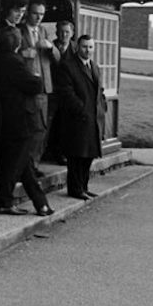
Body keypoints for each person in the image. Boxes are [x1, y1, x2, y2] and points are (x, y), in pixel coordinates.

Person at [0, 29, 53, 216]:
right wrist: (36, 76)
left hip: (5, 116)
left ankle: (41, 204)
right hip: (18, 117)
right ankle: (5, 201)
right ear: (17, 44)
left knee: (23, 162)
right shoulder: (14, 61)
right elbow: (35, 85)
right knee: (16, 163)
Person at [55, 34, 107, 200]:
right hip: (77, 119)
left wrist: (102, 108)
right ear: (77, 47)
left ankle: (84, 186)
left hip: (93, 118)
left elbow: (100, 91)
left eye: (91, 47)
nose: (88, 50)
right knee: (77, 156)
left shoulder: (95, 67)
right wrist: (81, 109)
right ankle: (75, 189)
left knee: (89, 156)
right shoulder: (68, 66)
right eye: (84, 47)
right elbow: (66, 93)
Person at [18, 0, 61, 175]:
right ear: (28, 12)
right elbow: (10, 54)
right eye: (35, 13)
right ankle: (24, 167)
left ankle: (33, 165)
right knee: (29, 128)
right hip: (26, 87)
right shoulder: (19, 30)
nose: (38, 17)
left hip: (44, 87)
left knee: (41, 129)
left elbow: (58, 58)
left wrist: (50, 47)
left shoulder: (44, 31)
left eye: (42, 14)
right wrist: (24, 54)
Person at [43, 19, 76, 164]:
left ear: (72, 33)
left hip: (68, 93)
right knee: (48, 123)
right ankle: (45, 152)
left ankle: (63, 153)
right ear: (56, 32)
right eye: (61, 32)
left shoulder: (75, 49)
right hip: (52, 92)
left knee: (66, 124)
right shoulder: (50, 47)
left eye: (67, 32)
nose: (64, 35)